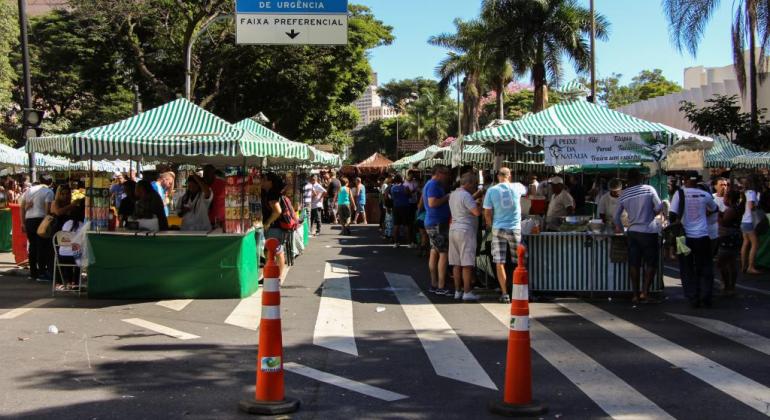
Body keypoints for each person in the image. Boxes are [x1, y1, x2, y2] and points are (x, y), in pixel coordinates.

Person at [614, 169, 663, 303]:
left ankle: (635, 294)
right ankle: (644, 292)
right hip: (648, 231)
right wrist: (652, 214)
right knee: (651, 263)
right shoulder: (648, 189)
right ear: (640, 178)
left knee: (634, 264)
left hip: (633, 232)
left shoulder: (624, 194)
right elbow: (659, 207)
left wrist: (621, 229)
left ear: (628, 180)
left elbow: (615, 216)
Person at [670, 175, 718, 308]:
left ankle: (693, 297)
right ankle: (706, 295)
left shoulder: (679, 194)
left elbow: (672, 214)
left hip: (683, 238)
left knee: (686, 268)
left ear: (685, 181)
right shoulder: (705, 194)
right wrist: (707, 219)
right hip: (703, 236)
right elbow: (714, 209)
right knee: (706, 267)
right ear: (697, 182)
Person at [483, 167, 528, 303]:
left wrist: (490, 225)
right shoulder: (518, 187)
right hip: (515, 228)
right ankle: (520, 291)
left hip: (498, 228)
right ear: (510, 175)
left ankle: (504, 293)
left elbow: (487, 213)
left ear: (498, 176)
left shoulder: (491, 190)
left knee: (499, 262)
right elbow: (529, 191)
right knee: (520, 261)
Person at [449, 172, 482, 302]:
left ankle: (458, 291)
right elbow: (476, 213)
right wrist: (478, 204)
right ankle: (467, 291)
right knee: (467, 263)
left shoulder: (453, 194)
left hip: (454, 228)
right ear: (468, 183)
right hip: (465, 230)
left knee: (456, 263)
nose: (475, 187)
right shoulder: (466, 195)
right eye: (474, 184)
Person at [423, 165, 452, 295]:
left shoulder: (430, 184)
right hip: (437, 224)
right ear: (439, 173)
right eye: (445, 174)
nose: (447, 177)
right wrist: (447, 197)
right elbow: (432, 203)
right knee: (443, 253)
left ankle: (434, 283)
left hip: (433, 222)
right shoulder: (434, 185)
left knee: (434, 251)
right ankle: (440, 286)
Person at [20, 176, 55, 281]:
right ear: (50, 183)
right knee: (42, 247)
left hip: (29, 220)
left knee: (32, 247)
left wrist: (22, 223)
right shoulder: (48, 192)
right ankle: (42, 273)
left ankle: (33, 273)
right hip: (41, 220)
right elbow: (47, 209)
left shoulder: (29, 190)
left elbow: (22, 207)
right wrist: (48, 222)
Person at [718, 190, 742, 297]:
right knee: (731, 262)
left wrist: (718, 217)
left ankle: (728, 285)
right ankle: (730, 286)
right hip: (733, 237)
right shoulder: (735, 209)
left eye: (725, 197)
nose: (723, 199)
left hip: (728, 239)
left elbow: (724, 222)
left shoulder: (731, 210)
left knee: (723, 262)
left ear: (729, 199)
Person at [740, 175, 762, 274]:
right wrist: (757, 208)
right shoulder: (752, 192)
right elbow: (751, 206)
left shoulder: (747, 192)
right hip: (750, 221)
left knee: (746, 243)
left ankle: (743, 266)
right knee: (755, 244)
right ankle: (750, 267)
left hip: (744, 221)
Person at [389, 174, 412, 248]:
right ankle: (409, 243)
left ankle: (396, 243)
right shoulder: (405, 187)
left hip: (396, 207)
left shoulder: (392, 188)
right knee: (406, 225)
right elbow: (409, 196)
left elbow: (392, 197)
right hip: (405, 207)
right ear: (401, 179)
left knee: (396, 225)